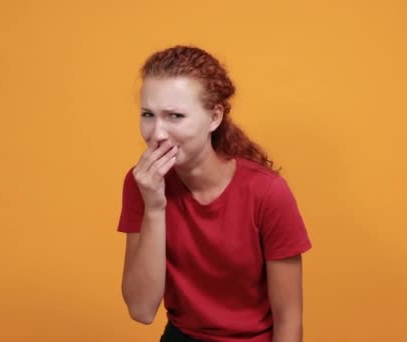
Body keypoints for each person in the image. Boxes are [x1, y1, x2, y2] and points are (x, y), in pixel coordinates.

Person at [117, 45, 312, 342]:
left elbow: (289, 318)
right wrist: (154, 208)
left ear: (214, 118)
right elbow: (141, 310)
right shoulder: (141, 184)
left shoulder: (267, 192)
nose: (156, 134)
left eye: (175, 116)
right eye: (148, 114)